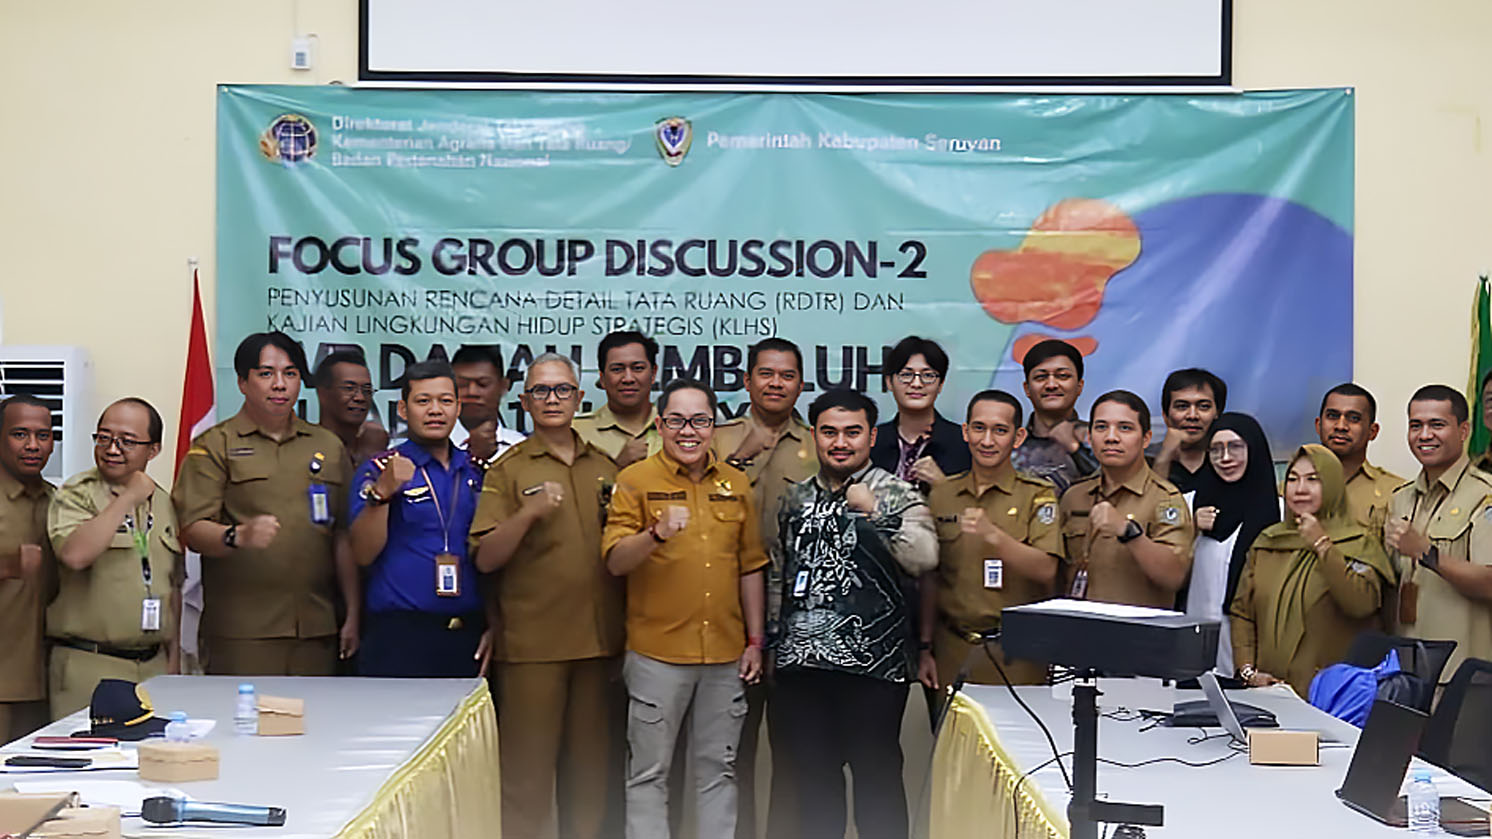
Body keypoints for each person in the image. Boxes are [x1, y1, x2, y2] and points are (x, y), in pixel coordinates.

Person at [602, 377, 766, 839]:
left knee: (719, 772)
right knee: (649, 775)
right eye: (676, 421)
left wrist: (755, 641)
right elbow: (614, 561)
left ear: (713, 427)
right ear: (660, 425)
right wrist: (655, 534)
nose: (688, 431)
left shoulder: (736, 483)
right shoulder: (635, 480)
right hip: (657, 654)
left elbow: (750, 566)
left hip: (725, 655)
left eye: (699, 421)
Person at [471, 353, 624, 839]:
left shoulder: (604, 467)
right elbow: (485, 558)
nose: (552, 399)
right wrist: (528, 513)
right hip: (534, 647)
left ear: (580, 398)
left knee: (590, 780)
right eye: (541, 390)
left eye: (562, 390)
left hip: (599, 644)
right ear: (524, 401)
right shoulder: (508, 470)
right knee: (527, 780)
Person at [773, 388, 936, 839]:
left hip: (874, 671)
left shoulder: (898, 492)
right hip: (802, 669)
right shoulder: (794, 498)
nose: (840, 442)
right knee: (814, 787)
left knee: (877, 785)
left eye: (852, 432)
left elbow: (924, 558)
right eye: (830, 432)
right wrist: (770, 643)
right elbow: (778, 574)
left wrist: (875, 512)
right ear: (814, 436)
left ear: (871, 436)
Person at [173, 331, 357, 675]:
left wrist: (353, 614)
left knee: (316, 711)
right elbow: (192, 529)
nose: (280, 384)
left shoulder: (327, 446)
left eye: (290, 373)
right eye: (266, 373)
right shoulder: (215, 445)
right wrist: (237, 536)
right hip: (243, 631)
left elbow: (342, 536)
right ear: (243, 382)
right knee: (245, 711)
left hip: (317, 628)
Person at [709, 336, 816, 839]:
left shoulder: (819, 443)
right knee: (730, 749)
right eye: (766, 374)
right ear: (747, 380)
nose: (776, 384)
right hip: (727, 611)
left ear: (801, 384)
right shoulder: (717, 440)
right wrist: (739, 461)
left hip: (798, 614)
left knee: (794, 749)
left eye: (787, 375)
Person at [347, 360, 487, 677]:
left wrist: (495, 624)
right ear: (403, 409)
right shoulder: (380, 469)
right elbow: (362, 554)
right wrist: (382, 494)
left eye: (445, 401)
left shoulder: (477, 471)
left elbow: (490, 555)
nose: (435, 410)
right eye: (423, 401)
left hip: (468, 632)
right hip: (400, 634)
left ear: (458, 407)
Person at [47, 398, 183, 719]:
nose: (112, 449)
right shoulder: (75, 494)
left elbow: (173, 585)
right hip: (90, 664)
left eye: (127, 441)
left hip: (152, 668)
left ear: (154, 450)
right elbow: (75, 555)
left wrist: (174, 659)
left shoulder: (164, 503)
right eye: (104, 438)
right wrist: (127, 499)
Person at [921, 390, 1059, 692]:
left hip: (1016, 655)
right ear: (965, 432)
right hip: (953, 650)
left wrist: (994, 536)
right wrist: (925, 647)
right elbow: (932, 576)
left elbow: (1047, 570)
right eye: (979, 428)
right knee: (948, 725)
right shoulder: (943, 494)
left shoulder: (1037, 495)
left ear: (1018, 437)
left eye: (999, 430)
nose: (987, 440)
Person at [1230, 445, 1395, 696]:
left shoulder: (1358, 543)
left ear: (1332, 486)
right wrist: (1248, 672)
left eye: (1313, 480)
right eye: (1292, 479)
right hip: (1267, 693)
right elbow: (1242, 613)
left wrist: (1322, 544)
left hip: (1331, 696)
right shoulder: (1268, 542)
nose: (1300, 489)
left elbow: (1361, 604)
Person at [1385, 385, 1492, 680]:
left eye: (1437, 424)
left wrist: (1426, 552)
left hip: (1462, 675)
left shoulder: (1484, 496)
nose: (1424, 435)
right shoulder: (1401, 498)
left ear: (1464, 430)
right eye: (1415, 425)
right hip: (1407, 670)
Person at [1058, 391, 1194, 608]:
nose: (1111, 437)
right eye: (1101, 427)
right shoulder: (1074, 497)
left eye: (1125, 428)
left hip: (1138, 627)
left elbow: (1175, 577)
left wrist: (1129, 533)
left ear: (1146, 439)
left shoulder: (1166, 499)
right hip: (1077, 623)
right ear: (1089, 437)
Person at [1185, 413, 1280, 678]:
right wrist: (1189, 528)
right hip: (1194, 648)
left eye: (1235, 447)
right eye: (1215, 449)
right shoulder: (1190, 504)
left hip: (1249, 653)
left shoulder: (1279, 513)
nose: (1225, 458)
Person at [0, 394, 56, 739]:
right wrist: (8, 565)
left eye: (43, 435)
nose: (33, 445)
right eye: (19, 434)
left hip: (48, 681)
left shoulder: (59, 501)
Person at [869, 336, 969, 490]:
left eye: (928, 375)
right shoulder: (872, 442)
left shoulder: (964, 444)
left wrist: (943, 486)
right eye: (906, 375)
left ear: (941, 384)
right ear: (889, 382)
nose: (916, 384)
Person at [1011, 339, 1098, 496]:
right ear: (1027, 388)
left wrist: (1076, 449)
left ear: (1079, 386)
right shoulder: (1010, 443)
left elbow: (1118, 485)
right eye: (1041, 377)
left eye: (1062, 376)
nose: (1051, 385)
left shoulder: (1102, 437)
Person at [1316, 382, 1402, 533]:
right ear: (1318, 425)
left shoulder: (1396, 493)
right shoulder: (1291, 489)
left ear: (1372, 431)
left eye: (1354, 418)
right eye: (1332, 416)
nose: (1341, 426)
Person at [575, 330, 663, 469]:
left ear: (653, 374)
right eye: (617, 369)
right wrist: (616, 466)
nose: (628, 378)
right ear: (602, 378)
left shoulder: (679, 429)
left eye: (638, 368)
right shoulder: (575, 433)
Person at [1149, 368, 1227, 493]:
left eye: (1204, 406)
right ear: (1165, 415)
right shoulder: (1140, 460)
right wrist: (1164, 458)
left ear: (1217, 413)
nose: (1192, 415)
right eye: (1182, 406)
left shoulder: (1229, 459)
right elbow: (1147, 503)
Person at [313, 349, 389, 473]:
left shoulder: (376, 446)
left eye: (366, 390)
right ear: (322, 393)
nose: (360, 397)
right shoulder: (305, 446)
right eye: (349, 388)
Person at [450, 345, 525, 465]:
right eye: (462, 384)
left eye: (483, 384)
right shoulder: (432, 446)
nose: (472, 392)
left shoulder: (520, 447)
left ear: (504, 386)